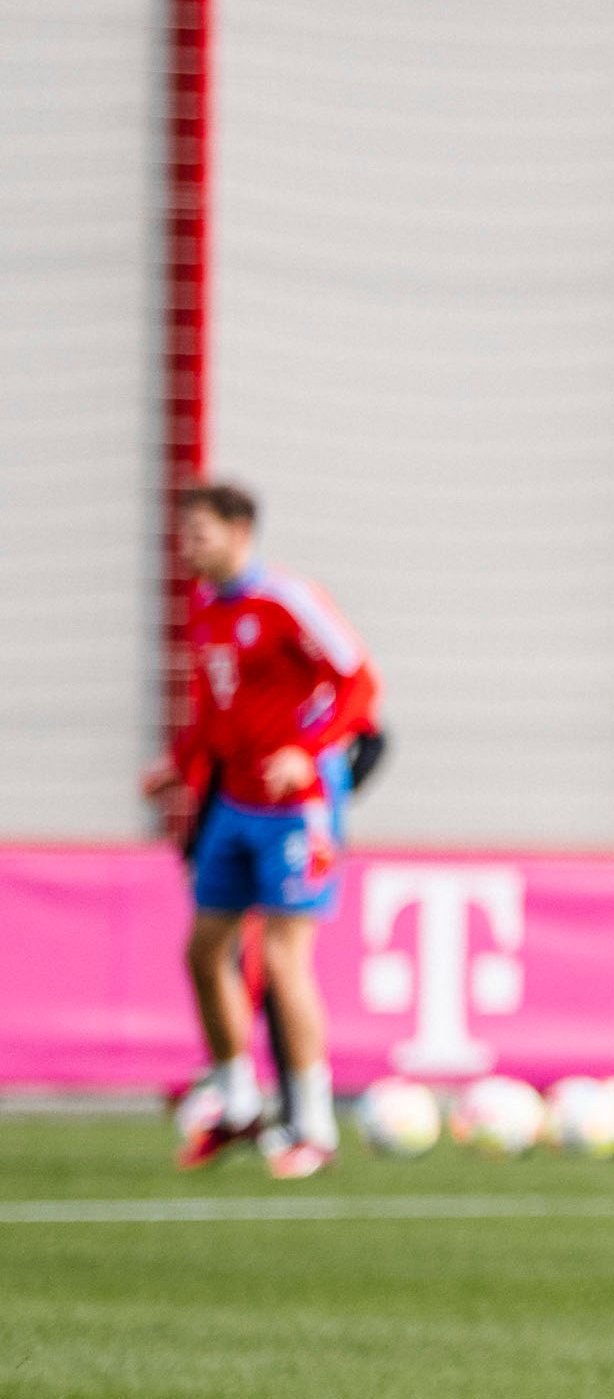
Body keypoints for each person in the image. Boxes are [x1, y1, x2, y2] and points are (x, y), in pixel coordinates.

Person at [152, 480, 378, 1180]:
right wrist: (179, 765)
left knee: (283, 960)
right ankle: (239, 1099)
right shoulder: (205, 613)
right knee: (203, 950)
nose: (188, 545)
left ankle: (312, 1122)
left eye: (201, 532)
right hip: (234, 805)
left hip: (298, 806)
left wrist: (305, 751)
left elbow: (361, 684)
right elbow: (218, 713)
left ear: (240, 530)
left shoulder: (287, 600)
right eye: (184, 533)